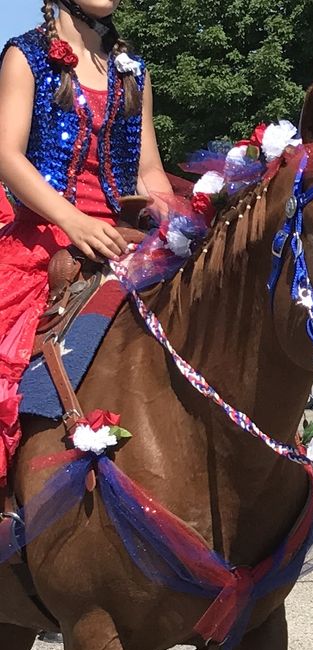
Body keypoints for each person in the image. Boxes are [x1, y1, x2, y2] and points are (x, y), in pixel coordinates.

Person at [0, 0, 172, 488]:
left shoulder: (133, 68)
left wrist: (169, 213)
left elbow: (148, 170)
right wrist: (72, 220)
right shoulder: (25, 55)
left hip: (124, 243)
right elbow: (6, 155)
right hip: (42, 244)